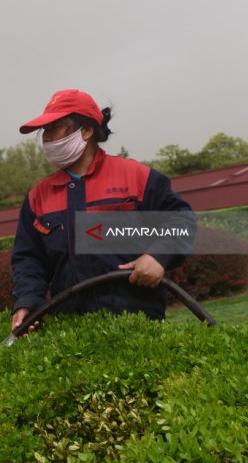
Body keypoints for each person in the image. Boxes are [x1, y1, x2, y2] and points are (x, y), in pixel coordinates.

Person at [11, 89, 195, 335]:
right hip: (68, 328)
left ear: (86, 131)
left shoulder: (137, 178)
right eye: (44, 131)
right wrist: (26, 301)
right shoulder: (38, 196)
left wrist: (158, 256)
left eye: (54, 128)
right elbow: (28, 258)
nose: (46, 138)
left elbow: (181, 220)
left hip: (137, 323)